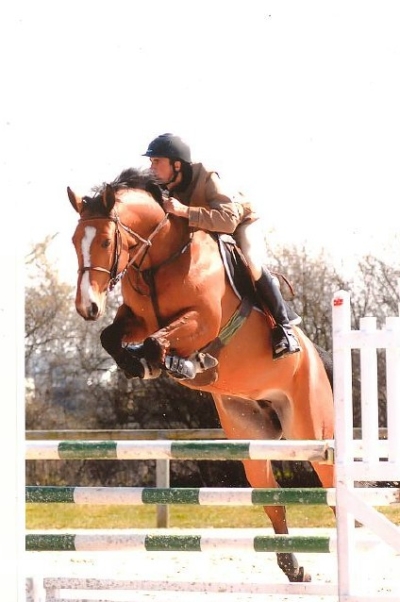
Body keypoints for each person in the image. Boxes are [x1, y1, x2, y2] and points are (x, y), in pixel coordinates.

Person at [142, 133, 301, 360]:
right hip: (207, 234)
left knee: (252, 263)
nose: (152, 167)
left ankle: (284, 328)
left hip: (240, 224)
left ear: (176, 164)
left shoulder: (207, 176)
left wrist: (184, 211)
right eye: (151, 162)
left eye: (156, 161)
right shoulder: (164, 186)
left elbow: (228, 222)